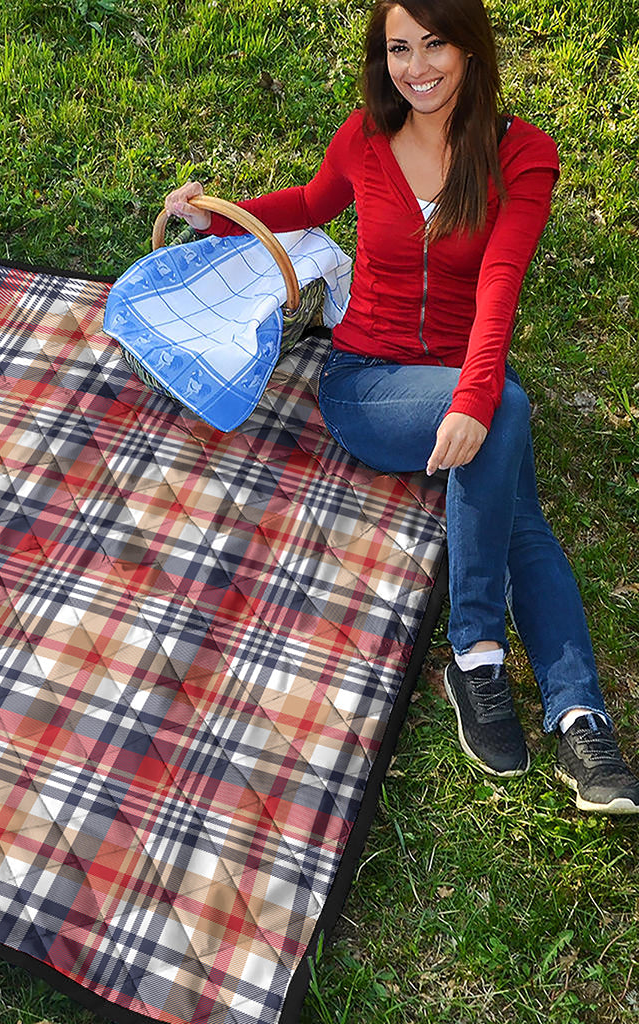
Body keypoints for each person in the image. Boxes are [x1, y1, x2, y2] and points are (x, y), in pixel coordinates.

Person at [163, 0, 639, 814]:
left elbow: (500, 284)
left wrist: (476, 396)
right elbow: (311, 205)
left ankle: (573, 713)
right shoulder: (364, 137)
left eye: (435, 44)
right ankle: (484, 655)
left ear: (470, 48)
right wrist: (218, 221)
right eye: (398, 49)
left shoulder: (522, 156)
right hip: (366, 384)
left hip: (458, 377)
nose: (416, 67)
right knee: (509, 421)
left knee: (513, 478)